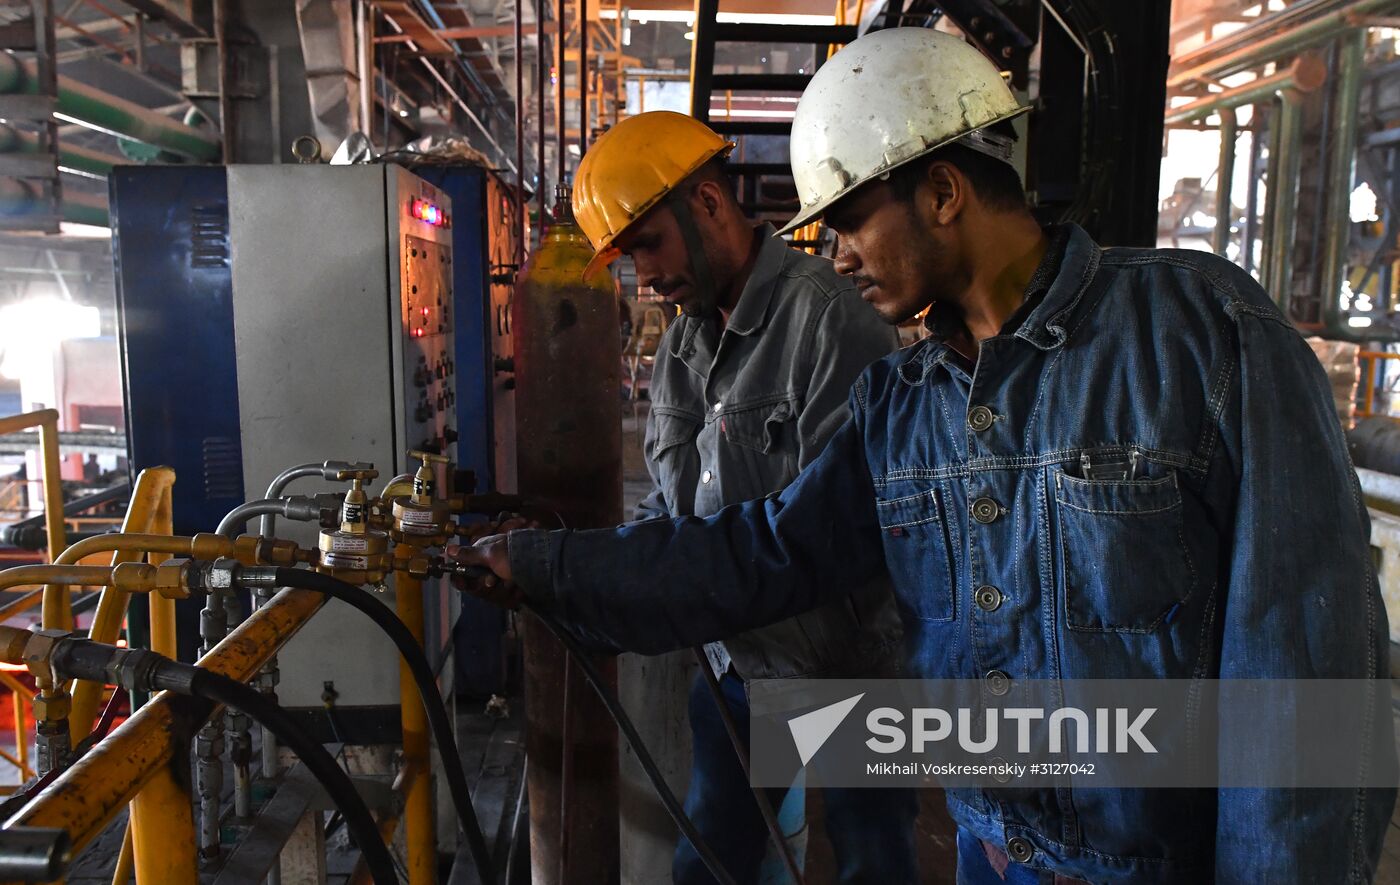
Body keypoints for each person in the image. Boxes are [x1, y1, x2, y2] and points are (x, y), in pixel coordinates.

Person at [458, 28, 1397, 883]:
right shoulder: (901, 409)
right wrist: (548, 565)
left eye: (851, 222)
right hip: (993, 853)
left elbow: (1308, 679)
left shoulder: (1196, 336)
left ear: (942, 193)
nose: (839, 255)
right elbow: (758, 552)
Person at [569, 110, 918, 883]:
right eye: (628, 259)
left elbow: (828, 533)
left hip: (845, 668)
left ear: (707, 203)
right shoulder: (685, 341)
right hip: (735, 663)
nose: (645, 276)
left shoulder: (832, 321)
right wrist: (608, 587)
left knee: (871, 861)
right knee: (710, 863)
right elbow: (671, 503)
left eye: (648, 243)